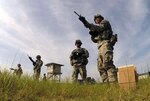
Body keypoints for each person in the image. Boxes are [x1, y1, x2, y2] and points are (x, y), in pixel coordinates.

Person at [79, 14, 118, 82]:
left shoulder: (104, 22)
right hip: (100, 47)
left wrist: (86, 22)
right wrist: (93, 36)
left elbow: (99, 28)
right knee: (100, 67)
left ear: (101, 18)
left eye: (97, 18)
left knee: (107, 64)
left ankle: (114, 85)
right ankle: (107, 86)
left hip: (106, 44)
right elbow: (96, 40)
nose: (96, 19)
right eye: (95, 19)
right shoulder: (99, 29)